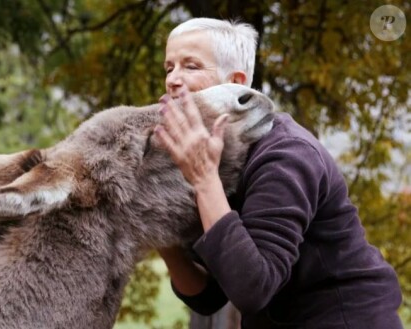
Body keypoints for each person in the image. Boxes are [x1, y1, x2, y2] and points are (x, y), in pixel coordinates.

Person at [154, 18, 403, 328]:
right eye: (169, 68)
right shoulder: (212, 161)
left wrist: (205, 180)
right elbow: (210, 296)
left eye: (190, 66)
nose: (173, 80)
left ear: (236, 81)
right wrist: (159, 236)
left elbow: (252, 289)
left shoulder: (286, 155)